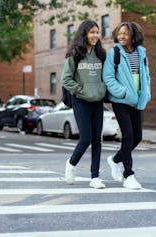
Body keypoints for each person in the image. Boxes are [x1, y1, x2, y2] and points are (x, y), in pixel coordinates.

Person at [103, 22, 151, 189]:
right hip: (121, 99)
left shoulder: (141, 52)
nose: (121, 36)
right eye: (119, 33)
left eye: (125, 33)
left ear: (133, 36)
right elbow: (108, 77)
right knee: (128, 134)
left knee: (137, 136)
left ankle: (115, 159)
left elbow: (146, 74)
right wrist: (122, 92)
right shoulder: (114, 52)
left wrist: (147, 92)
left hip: (137, 99)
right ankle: (128, 175)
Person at [61, 20, 107, 189]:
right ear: (84, 34)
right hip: (81, 101)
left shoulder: (101, 54)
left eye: (97, 32)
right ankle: (71, 164)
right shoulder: (75, 54)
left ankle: (95, 177)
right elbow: (65, 79)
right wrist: (80, 90)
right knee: (86, 138)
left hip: (97, 101)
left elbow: (106, 76)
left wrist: (102, 90)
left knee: (97, 140)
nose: (95, 35)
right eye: (92, 32)